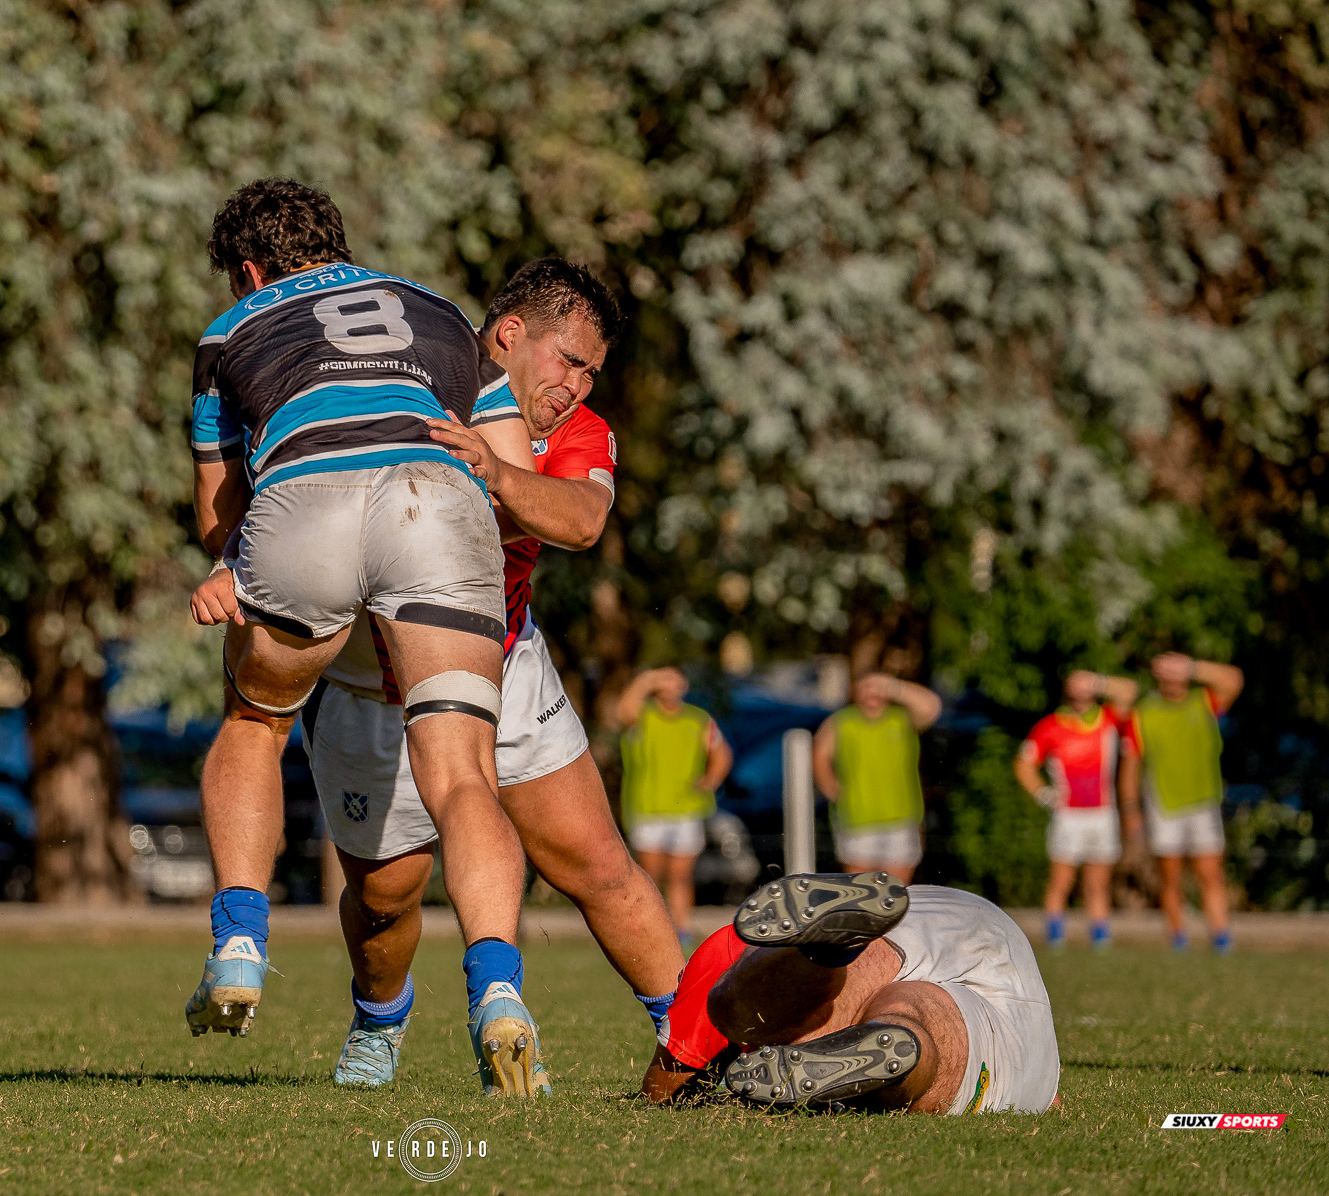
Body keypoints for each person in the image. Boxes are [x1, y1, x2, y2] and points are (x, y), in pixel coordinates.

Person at [184, 180, 547, 1093]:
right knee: (463, 777)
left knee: (255, 722)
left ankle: (238, 942)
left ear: (249, 271)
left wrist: (235, 563)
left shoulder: (229, 331)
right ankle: (497, 990)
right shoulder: (444, 312)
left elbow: (218, 511)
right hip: (437, 499)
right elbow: (512, 478)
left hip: (305, 499)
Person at [294, 259, 689, 1091]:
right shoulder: (406, 389)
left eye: (592, 373)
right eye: (568, 361)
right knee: (386, 899)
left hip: (505, 662)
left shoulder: (577, 433)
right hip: (373, 688)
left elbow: (583, 519)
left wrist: (498, 472)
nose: (577, 387)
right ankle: (379, 1020)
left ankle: (696, 1041)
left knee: (598, 863)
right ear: (510, 334)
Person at [640, 872, 1060, 1115]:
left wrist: (671, 1087)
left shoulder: (719, 959)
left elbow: (664, 1089)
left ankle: (828, 956)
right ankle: (832, 952)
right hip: (951, 912)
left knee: (732, 1010)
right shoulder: (730, 945)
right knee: (903, 1008)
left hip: (1032, 1071)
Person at [1121, 652, 1243, 953]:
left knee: (1210, 873)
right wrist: (1131, 810)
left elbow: (1234, 679)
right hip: (1164, 804)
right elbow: (1130, 766)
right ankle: (1178, 937)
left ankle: (1221, 936)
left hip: (1203, 802)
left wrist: (1193, 667)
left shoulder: (1204, 701)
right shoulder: (1144, 712)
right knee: (1170, 876)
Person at [1016, 670, 1137, 949]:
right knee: (1061, 880)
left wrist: (1097, 681)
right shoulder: (1051, 726)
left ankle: (1100, 938)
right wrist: (1044, 794)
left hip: (1102, 813)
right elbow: (1023, 765)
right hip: (1068, 815)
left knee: (1098, 882)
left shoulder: (1107, 719)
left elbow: (1130, 691)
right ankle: (1055, 937)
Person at [614, 666, 733, 945]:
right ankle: (649, 927)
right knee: (650, 876)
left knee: (681, 875)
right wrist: (647, 680)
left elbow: (721, 754)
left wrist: (709, 780)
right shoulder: (644, 715)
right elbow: (623, 710)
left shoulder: (697, 719)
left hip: (686, 809)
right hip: (649, 808)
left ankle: (681, 929)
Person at [812, 672, 942, 882]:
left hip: (902, 816)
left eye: (876, 686)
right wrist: (833, 790)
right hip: (858, 818)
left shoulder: (902, 718)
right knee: (862, 887)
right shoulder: (842, 721)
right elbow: (820, 755)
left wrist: (893, 687)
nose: (871, 692)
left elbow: (931, 706)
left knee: (897, 887)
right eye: (865, 686)